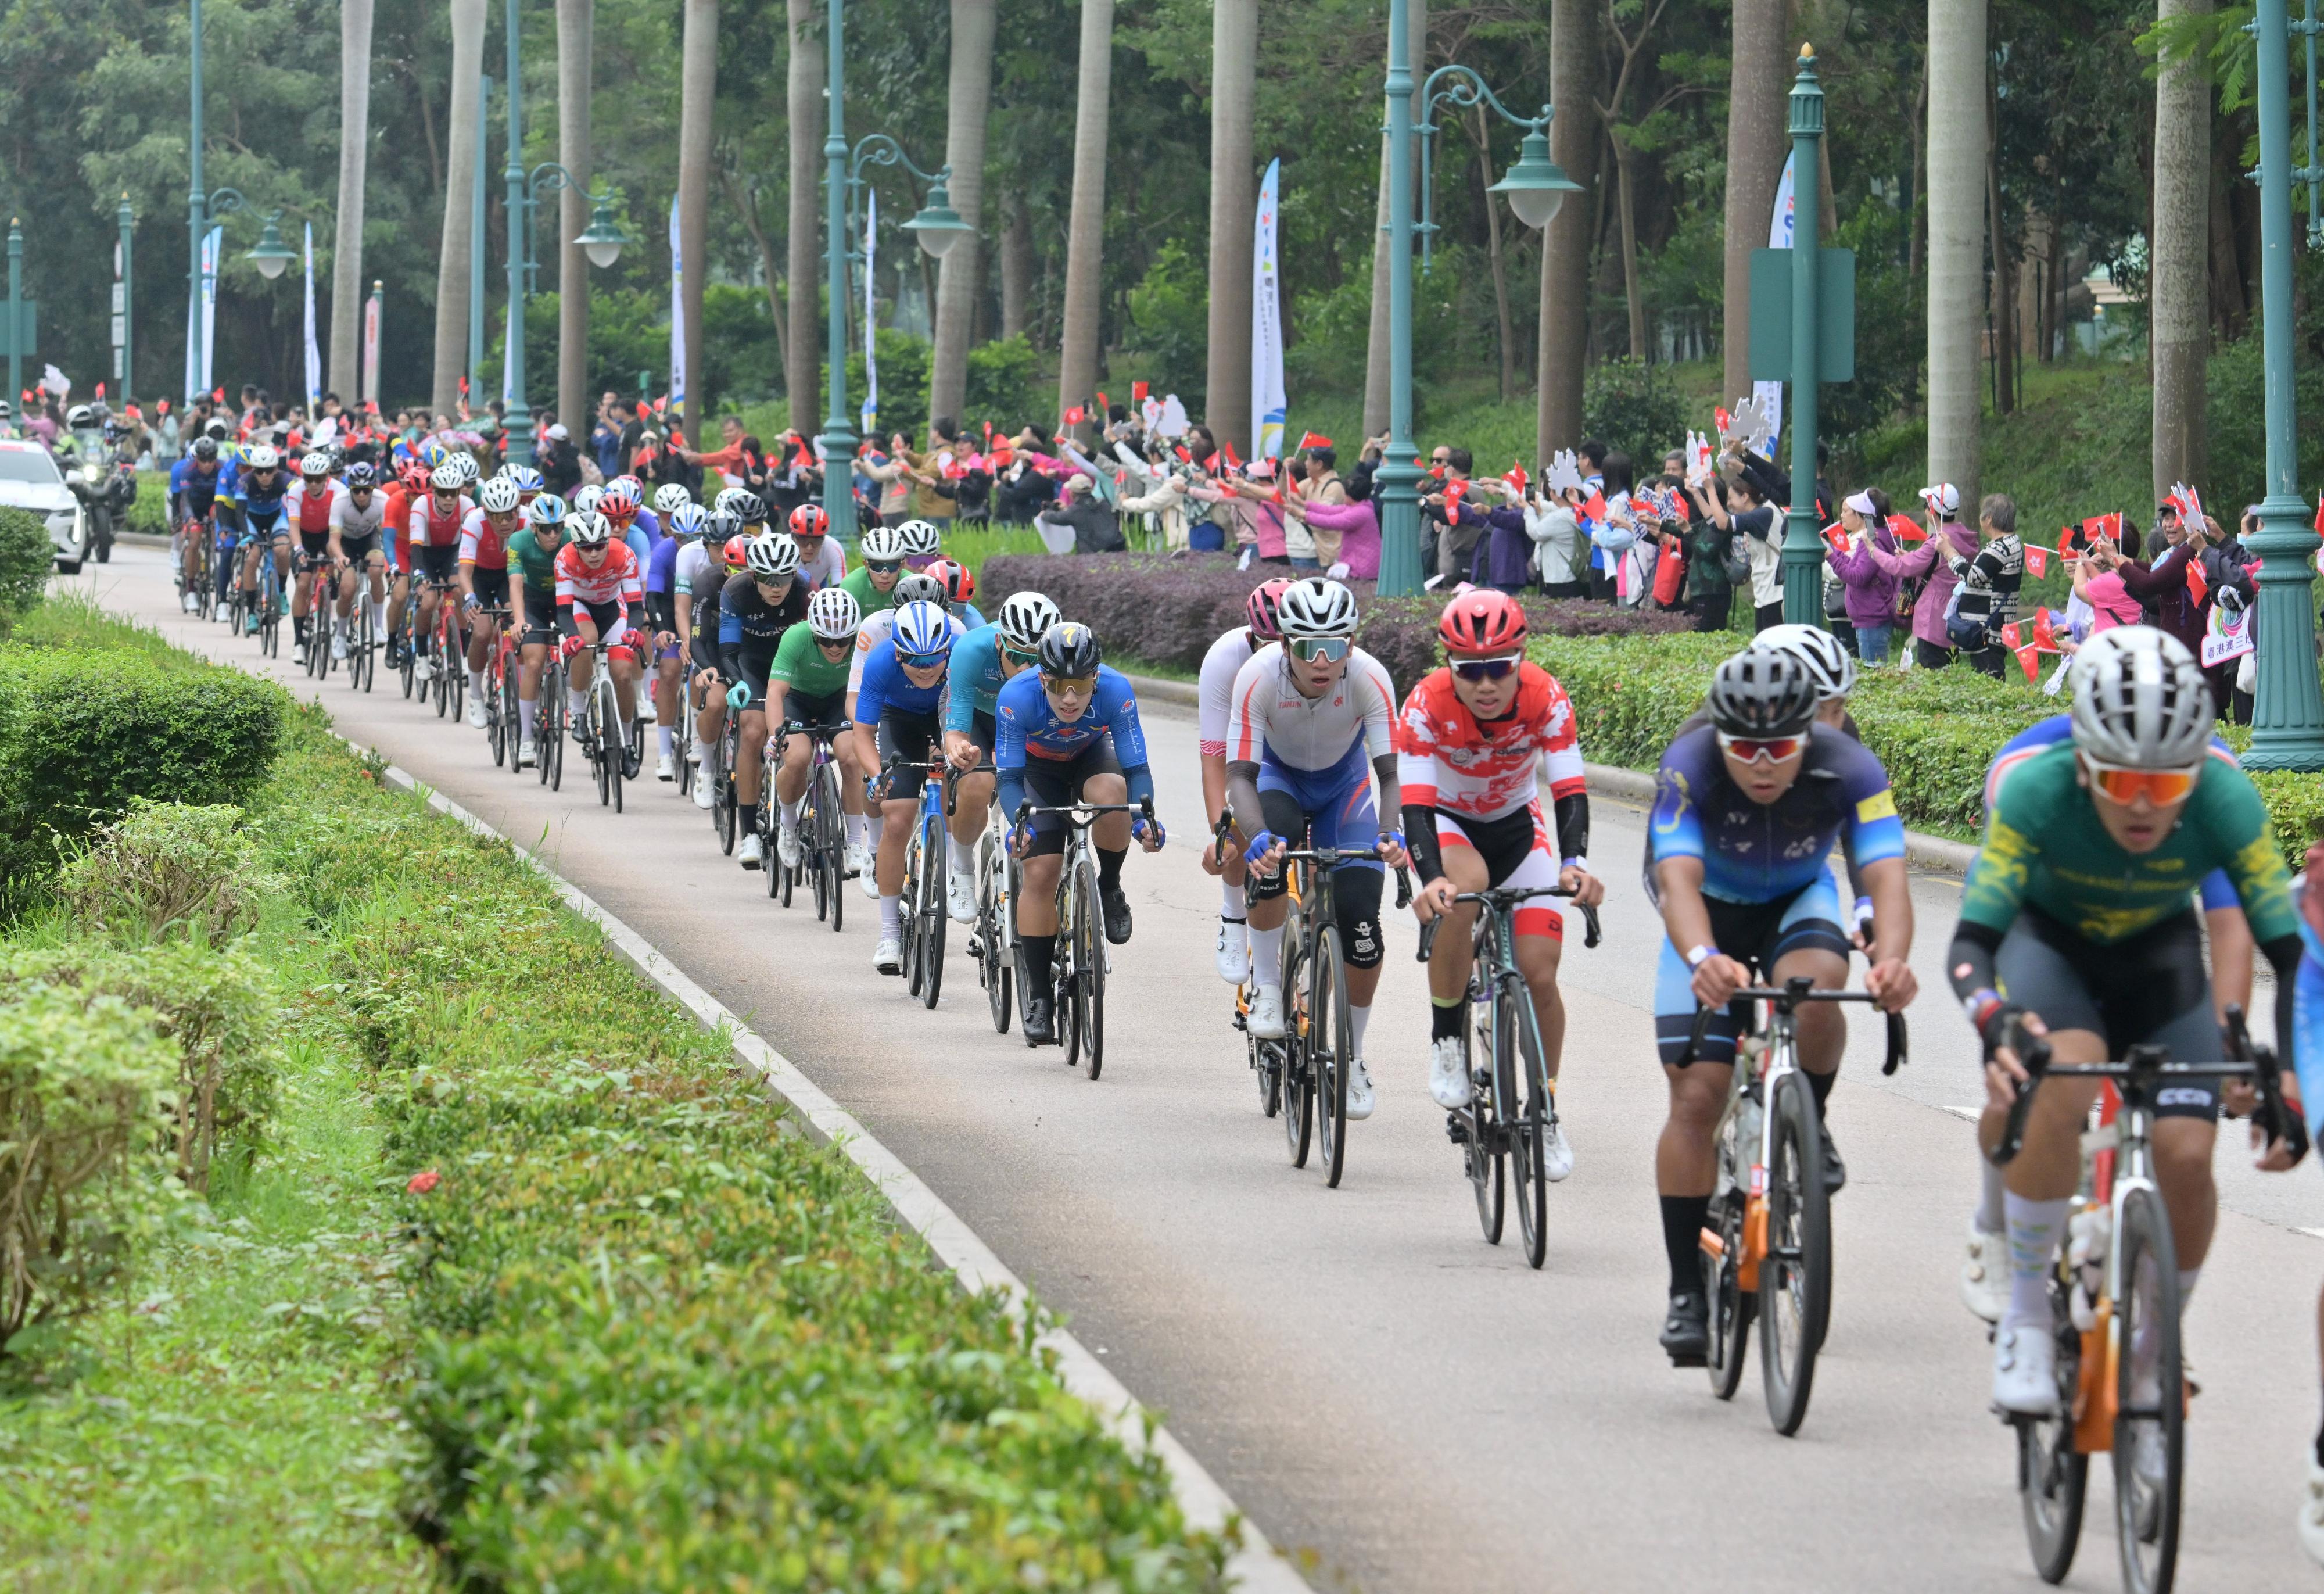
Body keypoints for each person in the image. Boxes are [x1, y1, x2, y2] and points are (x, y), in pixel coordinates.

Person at [1954, 627, 2305, 1426]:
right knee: (2060, 1068)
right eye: (2119, 778)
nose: (2145, 800)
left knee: (2187, 1148)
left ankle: (2157, 1333)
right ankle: (2028, 1318)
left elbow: (2257, 936)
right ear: (2084, 757)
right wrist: (1996, 1019)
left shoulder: (2221, 789)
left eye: (2167, 781)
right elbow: (1977, 935)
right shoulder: (2029, 780)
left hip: (2154, 950)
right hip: (2048, 937)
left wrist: (2256, 1051)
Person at [1645, 645, 1917, 1362]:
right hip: (1706, 909)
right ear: (1717, 737)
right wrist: (1702, 959)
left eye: (1780, 747)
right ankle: (1684, 1290)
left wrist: (1889, 959)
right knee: (1696, 1099)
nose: (1762, 763)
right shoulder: (1689, 762)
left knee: (1821, 981)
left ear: (1812, 734)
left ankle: (1808, 1118)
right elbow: (1674, 879)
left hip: (1795, 897)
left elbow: (1885, 875)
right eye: (1744, 747)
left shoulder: (1850, 764)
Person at [1400, 590, 1602, 1169]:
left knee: (1539, 971)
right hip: (1445, 821)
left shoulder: (1546, 696)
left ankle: (1543, 1110)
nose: (1486, 684)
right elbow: (1414, 803)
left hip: (1518, 825)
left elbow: (1568, 789)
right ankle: (1446, 1038)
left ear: (1519, 660)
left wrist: (1576, 863)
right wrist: (1430, 877)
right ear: (1448, 665)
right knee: (1461, 891)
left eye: (1499, 669)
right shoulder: (1423, 705)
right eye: (1470, 671)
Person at [1224, 577, 1408, 1121]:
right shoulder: (1256, 677)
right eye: (1308, 647)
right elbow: (1239, 775)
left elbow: (1392, 775)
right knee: (1270, 860)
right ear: (1284, 645)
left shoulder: (1371, 678)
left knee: (1361, 920)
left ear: (1352, 644)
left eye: (1336, 646)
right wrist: (1256, 836)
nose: (1323, 661)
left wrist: (1392, 832)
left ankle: (1352, 1056)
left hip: (1343, 787)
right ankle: (1266, 987)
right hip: (1278, 781)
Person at [997, 622, 1166, 1042]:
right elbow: (1010, 779)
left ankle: (1108, 886)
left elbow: (1137, 769)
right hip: (1037, 773)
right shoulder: (1016, 698)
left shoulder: (1116, 690)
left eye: (1080, 685)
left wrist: (1145, 819)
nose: (1069, 698)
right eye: (1058, 685)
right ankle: (1039, 995)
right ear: (1042, 678)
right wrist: (1020, 826)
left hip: (1092, 757)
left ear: (1096, 677)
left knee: (1113, 792)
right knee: (1040, 871)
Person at [853, 600, 962, 973]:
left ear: (947, 650)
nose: (926, 669)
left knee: (953, 781)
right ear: (899, 655)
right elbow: (863, 735)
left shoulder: (960, 658)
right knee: (897, 819)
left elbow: (971, 717)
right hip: (898, 720)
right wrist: (876, 775)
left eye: (934, 660)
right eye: (914, 661)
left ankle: (948, 868)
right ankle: (889, 933)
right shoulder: (881, 662)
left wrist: (956, 748)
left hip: (947, 715)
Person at [942, 590, 1063, 923]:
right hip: (977, 717)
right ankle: (963, 867)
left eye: (1036, 659)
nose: (1025, 666)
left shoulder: (1060, 658)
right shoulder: (970, 650)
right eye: (1016, 654)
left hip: (1025, 717)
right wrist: (956, 747)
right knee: (977, 781)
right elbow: (956, 727)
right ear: (999, 643)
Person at [1199, 580, 1290, 980]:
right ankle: (1234, 914)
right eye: (1263, 645)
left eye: (1284, 644)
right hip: (1245, 749)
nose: (1273, 657)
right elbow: (1215, 760)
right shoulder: (1225, 660)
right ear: (1250, 637)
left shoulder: (1318, 661)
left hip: (1299, 750)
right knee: (1236, 823)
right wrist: (1222, 836)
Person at [715, 533, 810, 868]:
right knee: (753, 730)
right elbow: (727, 648)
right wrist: (736, 682)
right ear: (753, 575)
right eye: (767, 579)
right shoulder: (735, 591)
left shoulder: (804, 588)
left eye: (784, 577)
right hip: (752, 663)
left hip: (791, 664)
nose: (776, 586)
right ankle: (749, 833)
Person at [764, 585, 867, 871]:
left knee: (853, 757)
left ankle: (855, 842)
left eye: (843, 640)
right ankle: (788, 825)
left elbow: (869, 692)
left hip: (840, 699)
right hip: (798, 700)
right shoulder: (795, 638)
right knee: (796, 758)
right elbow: (775, 693)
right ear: (813, 634)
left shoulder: (864, 640)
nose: (835, 648)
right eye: (826, 640)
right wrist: (776, 735)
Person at [553, 510, 646, 780]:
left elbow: (636, 607)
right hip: (580, 607)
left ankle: (628, 743)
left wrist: (632, 631)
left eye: (599, 547)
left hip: (612, 608)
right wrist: (571, 637)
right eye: (586, 548)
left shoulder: (624, 554)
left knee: (624, 674)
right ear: (575, 546)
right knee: (586, 641)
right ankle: (579, 710)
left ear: (607, 542)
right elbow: (563, 612)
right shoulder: (564, 559)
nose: (593, 554)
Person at [1864, 482, 1979, 668]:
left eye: (1925, 506)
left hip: (1933, 621)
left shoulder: (1938, 542)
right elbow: (1940, 566)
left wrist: (1872, 550)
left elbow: (1899, 567)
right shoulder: (1966, 537)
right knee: (1950, 672)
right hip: (1957, 616)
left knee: (1932, 674)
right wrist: (1912, 557)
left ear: (1931, 511)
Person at [504, 493, 569, 768]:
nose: (553, 534)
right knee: (534, 661)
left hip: (565, 598)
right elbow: (516, 584)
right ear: (534, 528)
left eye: (558, 527)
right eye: (546, 528)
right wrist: (519, 620)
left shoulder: (571, 539)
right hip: (533, 601)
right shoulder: (519, 541)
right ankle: (527, 739)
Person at [456, 474, 524, 729]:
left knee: (516, 622)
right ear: (486, 513)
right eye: (496, 516)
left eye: (510, 515)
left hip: (512, 576)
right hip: (482, 576)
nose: (505, 522)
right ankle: (475, 695)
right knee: (482, 632)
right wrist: (469, 597)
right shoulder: (474, 521)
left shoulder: (529, 521)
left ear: (519, 509)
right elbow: (464, 573)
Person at [405, 462, 475, 681]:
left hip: (451, 553)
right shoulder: (421, 505)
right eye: (443, 493)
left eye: (453, 493)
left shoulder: (467, 505)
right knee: (427, 603)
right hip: (425, 554)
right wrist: (418, 574)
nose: (448, 499)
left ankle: (463, 655)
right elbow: (415, 546)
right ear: (434, 492)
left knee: (457, 592)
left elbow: (474, 541)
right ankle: (423, 657)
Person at [1823, 490, 1903, 662]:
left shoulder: (1873, 539)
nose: (1842, 515)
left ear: (1863, 515)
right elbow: (1854, 565)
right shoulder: (1873, 535)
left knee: (1873, 672)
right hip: (1869, 617)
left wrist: (1830, 555)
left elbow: (1857, 577)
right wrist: (1832, 549)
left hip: (1872, 618)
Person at [226, 443, 293, 635]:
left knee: (282, 549)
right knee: (252, 558)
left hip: (276, 519)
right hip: (252, 520)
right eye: (260, 471)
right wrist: (247, 535)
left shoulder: (286, 480)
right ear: (253, 470)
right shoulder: (244, 481)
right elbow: (239, 512)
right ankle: (251, 614)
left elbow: (296, 504)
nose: (264, 475)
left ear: (276, 469)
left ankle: (280, 592)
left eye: (269, 471)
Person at [168, 435, 227, 612]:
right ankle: (191, 590)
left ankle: (212, 559)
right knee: (194, 540)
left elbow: (225, 498)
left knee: (217, 520)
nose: (208, 464)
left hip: (212, 504)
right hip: (193, 505)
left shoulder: (222, 468)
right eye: (203, 460)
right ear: (197, 458)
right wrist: (188, 517)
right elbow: (184, 499)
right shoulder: (188, 470)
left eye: (211, 459)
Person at [842, 523, 910, 614]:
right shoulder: (851, 585)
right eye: (877, 567)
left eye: (892, 566)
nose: (885, 575)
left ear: (902, 566)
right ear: (866, 565)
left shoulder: (911, 585)